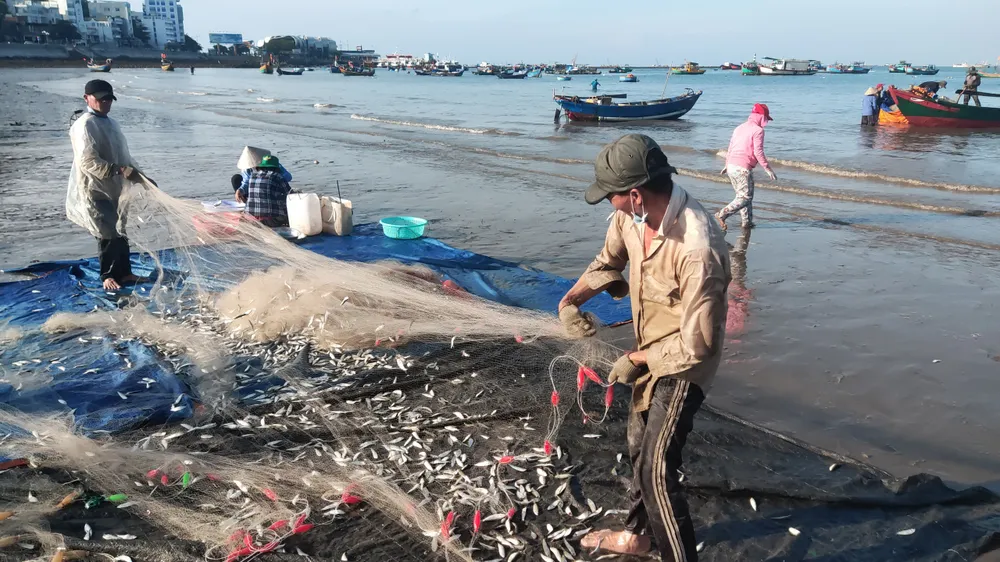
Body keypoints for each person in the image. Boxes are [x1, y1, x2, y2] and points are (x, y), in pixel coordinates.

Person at [559, 134, 730, 561]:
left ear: (635, 194)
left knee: (657, 470)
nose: (608, 204)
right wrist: (570, 300)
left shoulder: (698, 247)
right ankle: (638, 536)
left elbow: (699, 343)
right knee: (639, 446)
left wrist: (637, 359)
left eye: (610, 196)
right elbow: (607, 262)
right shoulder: (630, 219)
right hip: (648, 349)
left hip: (685, 365)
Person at [66, 79, 147, 291]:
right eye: (101, 99)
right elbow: (87, 161)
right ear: (87, 98)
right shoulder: (85, 125)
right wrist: (118, 170)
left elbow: (124, 156)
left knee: (120, 230)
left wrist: (141, 176)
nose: (106, 102)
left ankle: (126, 272)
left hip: (116, 188)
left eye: (109, 99)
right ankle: (108, 276)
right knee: (107, 233)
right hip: (95, 189)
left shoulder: (112, 124)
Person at [715, 103, 776, 231]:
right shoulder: (758, 131)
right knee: (745, 197)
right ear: (761, 117)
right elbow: (758, 152)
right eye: (765, 118)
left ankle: (747, 223)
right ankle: (722, 214)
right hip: (742, 168)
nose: (766, 122)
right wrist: (767, 168)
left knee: (741, 197)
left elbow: (731, 148)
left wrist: (727, 164)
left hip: (731, 166)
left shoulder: (739, 128)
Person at [235, 154, 292, 226]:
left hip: (251, 218)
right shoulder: (278, 176)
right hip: (271, 220)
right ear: (276, 168)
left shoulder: (252, 176)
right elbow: (290, 194)